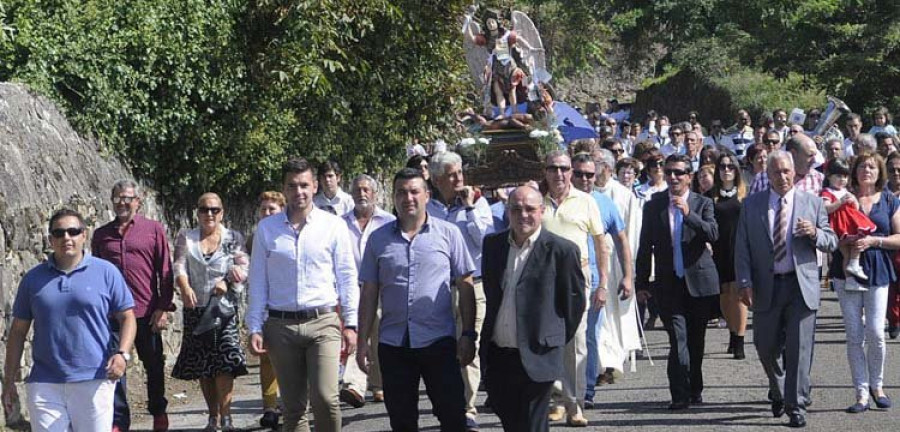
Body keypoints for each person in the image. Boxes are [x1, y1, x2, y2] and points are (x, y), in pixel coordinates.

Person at [356, 168, 477, 431]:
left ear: (426, 195)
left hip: (439, 341)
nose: (408, 198)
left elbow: (466, 285)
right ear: (393, 198)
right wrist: (363, 341)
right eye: (401, 192)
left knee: (453, 417)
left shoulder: (449, 234)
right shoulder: (378, 240)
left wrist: (468, 333)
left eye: (414, 191)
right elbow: (369, 293)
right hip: (393, 343)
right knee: (402, 421)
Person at [247, 157, 359, 432]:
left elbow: (347, 276)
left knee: (325, 398)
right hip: (281, 325)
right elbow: (258, 280)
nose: (299, 192)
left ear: (315, 186)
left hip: (323, 322)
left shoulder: (332, 226)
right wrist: (254, 326)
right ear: (284, 189)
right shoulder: (267, 229)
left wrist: (352, 323)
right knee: (294, 407)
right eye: (292, 186)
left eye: (304, 185)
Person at [3, 209, 136, 431]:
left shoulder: (106, 272)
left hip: (94, 378)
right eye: (59, 233)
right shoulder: (33, 279)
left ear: (84, 235)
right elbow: (18, 331)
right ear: (50, 239)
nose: (67, 238)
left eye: (73, 231)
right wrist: (8, 382)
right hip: (44, 382)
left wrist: (123, 354)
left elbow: (127, 317)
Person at [734, 149, 837, 428]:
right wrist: (744, 282)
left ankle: (796, 405)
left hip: (800, 285)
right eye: (776, 172)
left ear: (795, 173)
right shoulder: (752, 205)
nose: (782, 176)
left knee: (799, 349)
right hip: (767, 286)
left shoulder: (812, 204)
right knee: (764, 346)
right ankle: (778, 390)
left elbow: (832, 241)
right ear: (767, 175)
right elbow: (742, 247)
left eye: (786, 171)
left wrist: (815, 233)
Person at [480, 186, 586, 431]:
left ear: (542, 211)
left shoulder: (562, 250)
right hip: (499, 353)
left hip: (538, 353)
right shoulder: (493, 245)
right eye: (516, 209)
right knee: (510, 420)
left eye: (530, 209)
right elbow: (492, 293)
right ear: (507, 212)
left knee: (532, 424)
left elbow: (573, 303)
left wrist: (553, 336)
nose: (523, 215)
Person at [636, 154, 720, 410]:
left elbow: (713, 233)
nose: (673, 177)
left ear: (689, 177)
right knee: (677, 339)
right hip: (668, 283)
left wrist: (689, 214)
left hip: (699, 282)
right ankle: (679, 394)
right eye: (669, 172)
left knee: (696, 341)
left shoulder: (702, 202)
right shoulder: (653, 205)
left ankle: (695, 387)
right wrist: (641, 283)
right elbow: (644, 247)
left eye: (679, 173)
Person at [91, 180, 174, 432]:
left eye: (128, 198)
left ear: (138, 201)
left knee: (154, 365)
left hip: (146, 311)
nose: (123, 202)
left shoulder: (153, 229)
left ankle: (158, 411)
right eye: (118, 198)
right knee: (116, 367)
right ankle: (119, 421)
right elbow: (94, 274)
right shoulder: (101, 235)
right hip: (113, 314)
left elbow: (165, 270)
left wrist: (163, 306)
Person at [426, 151, 493, 431]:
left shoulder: (477, 202)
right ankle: (448, 406)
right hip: (438, 289)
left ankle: (467, 409)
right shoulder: (427, 208)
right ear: (437, 179)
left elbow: (485, 240)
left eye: (460, 172)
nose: (459, 178)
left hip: (472, 286)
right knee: (441, 351)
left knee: (468, 348)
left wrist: (468, 209)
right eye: (452, 174)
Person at [171, 193, 249, 432]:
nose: (209, 214)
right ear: (198, 212)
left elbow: (244, 265)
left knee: (224, 362)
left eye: (214, 210)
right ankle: (212, 416)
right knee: (203, 365)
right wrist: (184, 287)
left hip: (223, 309)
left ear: (222, 212)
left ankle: (227, 418)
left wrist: (228, 280)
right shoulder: (187, 237)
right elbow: (179, 265)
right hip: (196, 308)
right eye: (205, 209)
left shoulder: (231, 237)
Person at [541, 150, 608, 427]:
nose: (559, 174)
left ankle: (576, 404)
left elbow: (601, 244)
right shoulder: (536, 201)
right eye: (554, 168)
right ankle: (555, 399)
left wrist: (603, 282)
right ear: (545, 171)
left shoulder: (586, 201)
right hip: (542, 278)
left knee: (576, 342)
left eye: (564, 168)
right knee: (544, 341)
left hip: (575, 279)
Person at [828, 152, 899, 413]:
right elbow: (827, 231)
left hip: (878, 269)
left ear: (880, 172)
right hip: (845, 268)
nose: (866, 170)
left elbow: (899, 237)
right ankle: (861, 393)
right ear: (854, 171)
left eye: (872, 166)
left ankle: (877, 386)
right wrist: (842, 241)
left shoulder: (889, 200)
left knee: (876, 333)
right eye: (861, 166)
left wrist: (874, 241)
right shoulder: (841, 198)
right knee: (854, 334)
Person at [570, 153, 634, 407]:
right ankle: (561, 390)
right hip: (564, 279)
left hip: (596, 279)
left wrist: (628, 276)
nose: (585, 179)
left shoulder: (605, 203)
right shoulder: (559, 202)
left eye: (589, 174)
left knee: (590, 336)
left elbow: (621, 240)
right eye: (579, 174)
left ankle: (586, 392)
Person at [339, 175, 396, 408]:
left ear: (375, 194)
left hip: (381, 287)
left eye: (366, 189)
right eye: (357, 190)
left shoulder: (389, 222)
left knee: (379, 337)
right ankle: (354, 385)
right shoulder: (340, 224)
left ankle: (379, 384)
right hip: (352, 289)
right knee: (356, 333)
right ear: (351, 194)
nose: (362, 193)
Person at [247, 191, 286, 430]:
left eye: (272, 209)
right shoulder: (254, 239)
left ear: (281, 210)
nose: (267, 213)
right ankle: (270, 407)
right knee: (266, 359)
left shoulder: (286, 234)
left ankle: (293, 403)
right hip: (264, 305)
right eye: (263, 209)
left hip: (286, 305)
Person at [708, 152, 749, 359]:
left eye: (730, 167)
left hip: (740, 248)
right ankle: (732, 332)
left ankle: (740, 340)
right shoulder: (710, 195)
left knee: (739, 293)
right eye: (722, 166)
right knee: (724, 294)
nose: (726, 170)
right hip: (718, 249)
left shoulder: (744, 194)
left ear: (737, 170)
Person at [822, 159, 877, 282]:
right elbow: (826, 208)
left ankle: (854, 264)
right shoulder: (827, 192)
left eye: (845, 176)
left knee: (856, 244)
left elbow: (856, 208)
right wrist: (840, 202)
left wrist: (854, 201)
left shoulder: (846, 191)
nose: (843, 179)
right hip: (838, 226)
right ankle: (850, 279)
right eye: (839, 176)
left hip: (850, 224)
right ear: (829, 176)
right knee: (845, 252)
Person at [887, 152, 900, 340]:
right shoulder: (882, 194)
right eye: (892, 170)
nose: (896, 173)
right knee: (891, 288)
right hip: (889, 247)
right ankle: (893, 320)